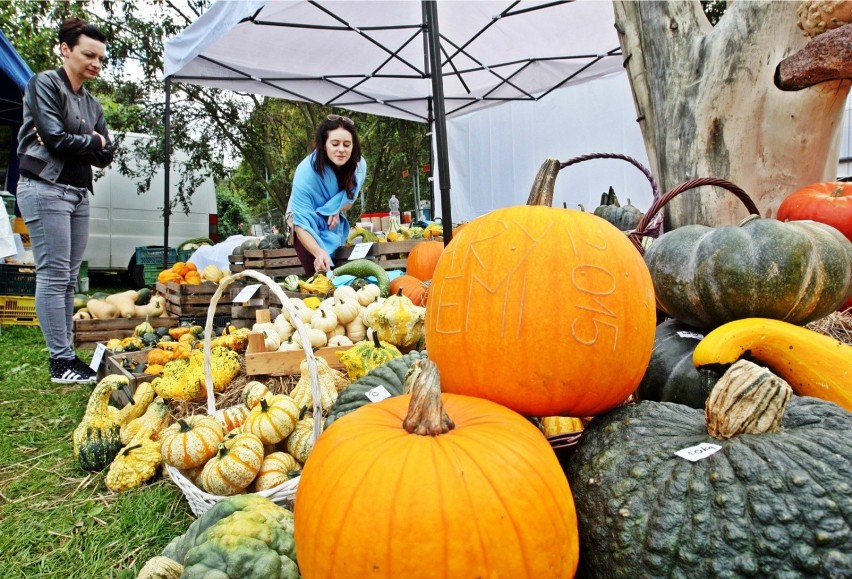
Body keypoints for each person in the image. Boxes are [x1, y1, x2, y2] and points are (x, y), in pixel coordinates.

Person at [16, 18, 114, 384]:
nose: (96, 64)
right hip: (44, 188)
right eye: (89, 55)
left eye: (101, 59)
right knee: (54, 276)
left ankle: (69, 356)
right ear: (65, 49)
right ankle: (60, 362)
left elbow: (105, 154)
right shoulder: (44, 84)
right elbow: (55, 140)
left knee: (70, 280)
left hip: (77, 193)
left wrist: (89, 141)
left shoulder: (92, 104)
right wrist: (91, 140)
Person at [286, 114, 367, 275]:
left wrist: (336, 209)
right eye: (335, 144)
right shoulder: (305, 173)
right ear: (324, 145)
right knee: (319, 275)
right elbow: (301, 223)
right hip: (305, 227)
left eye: (347, 144)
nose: (341, 150)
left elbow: (349, 199)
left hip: (332, 226)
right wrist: (318, 252)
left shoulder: (359, 166)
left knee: (339, 277)